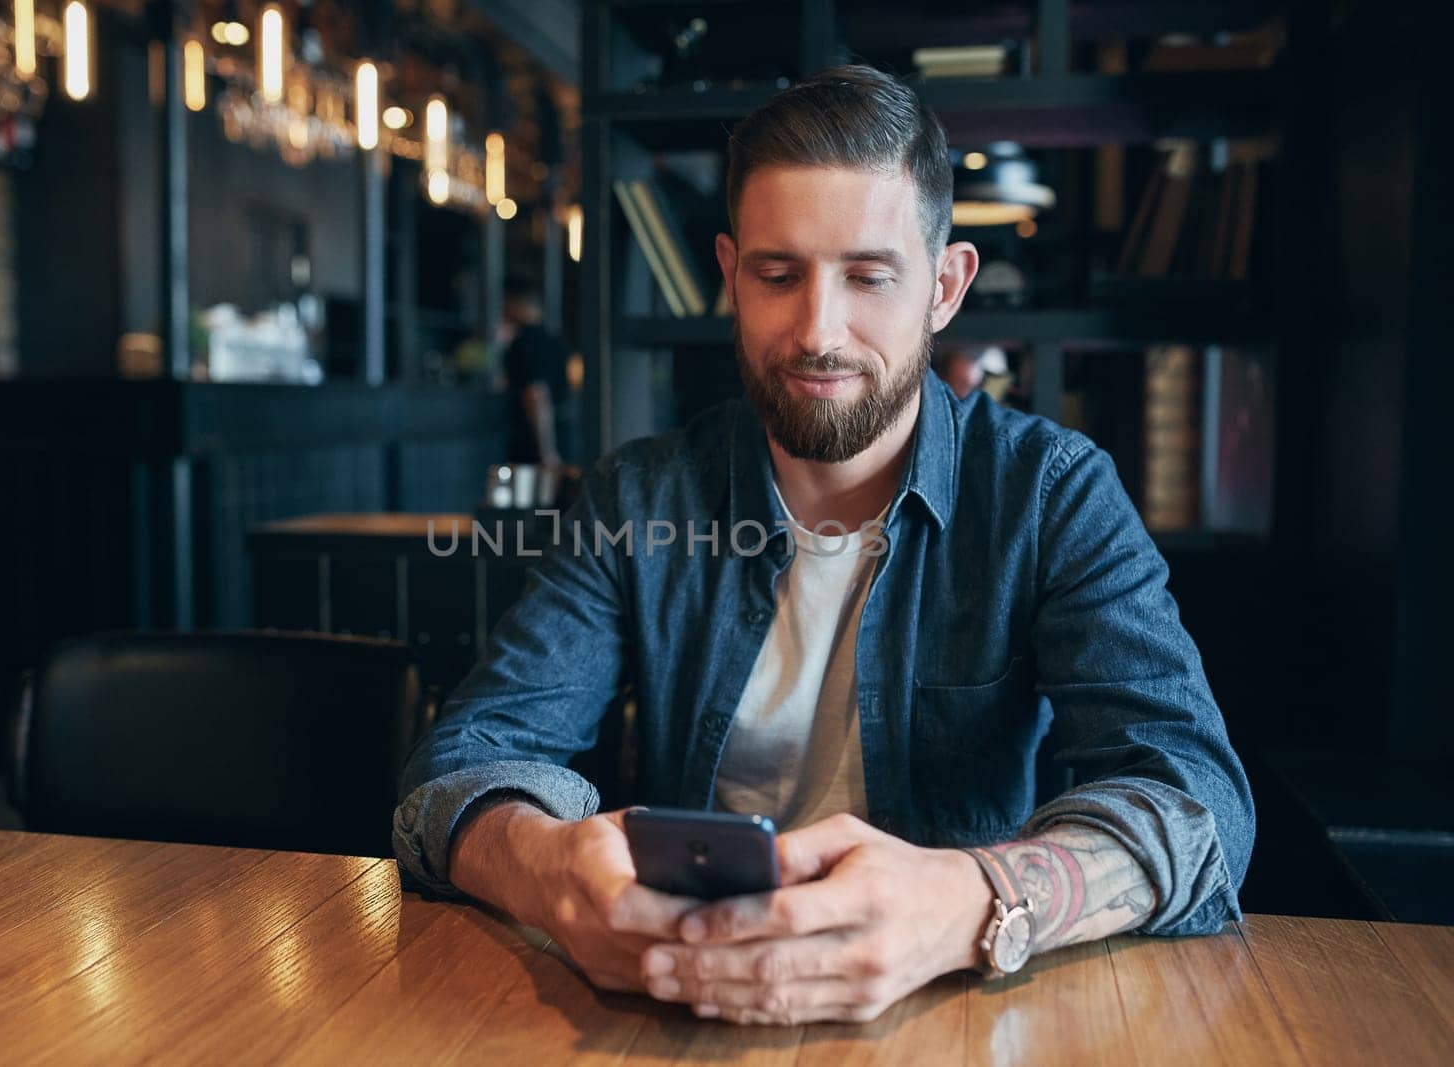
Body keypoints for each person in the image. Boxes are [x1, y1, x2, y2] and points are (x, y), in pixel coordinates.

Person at [394, 65, 1253, 1026]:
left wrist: (976, 899)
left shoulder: (1051, 494)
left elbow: (1196, 802)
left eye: (869, 276)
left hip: (955, 1019)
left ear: (945, 285)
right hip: (686, 1009)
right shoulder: (639, 496)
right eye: (778, 274)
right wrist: (548, 868)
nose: (818, 330)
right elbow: (461, 764)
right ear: (729, 277)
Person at [497, 280, 574, 468]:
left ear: (515, 303)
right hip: (561, 435)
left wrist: (547, 452)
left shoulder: (524, 343)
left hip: (534, 444)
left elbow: (537, 395)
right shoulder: (554, 340)